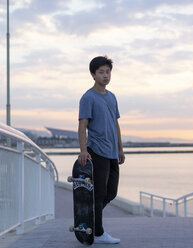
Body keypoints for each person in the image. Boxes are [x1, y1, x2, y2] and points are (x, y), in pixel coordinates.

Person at [78, 55, 125, 244]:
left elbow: (115, 124)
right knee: (99, 194)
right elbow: (82, 126)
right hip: (96, 150)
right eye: (101, 72)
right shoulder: (88, 97)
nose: (106, 75)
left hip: (112, 152)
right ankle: (98, 233)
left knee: (111, 192)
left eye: (108, 72)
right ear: (93, 74)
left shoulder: (112, 96)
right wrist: (83, 150)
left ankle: (89, 216)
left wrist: (120, 149)